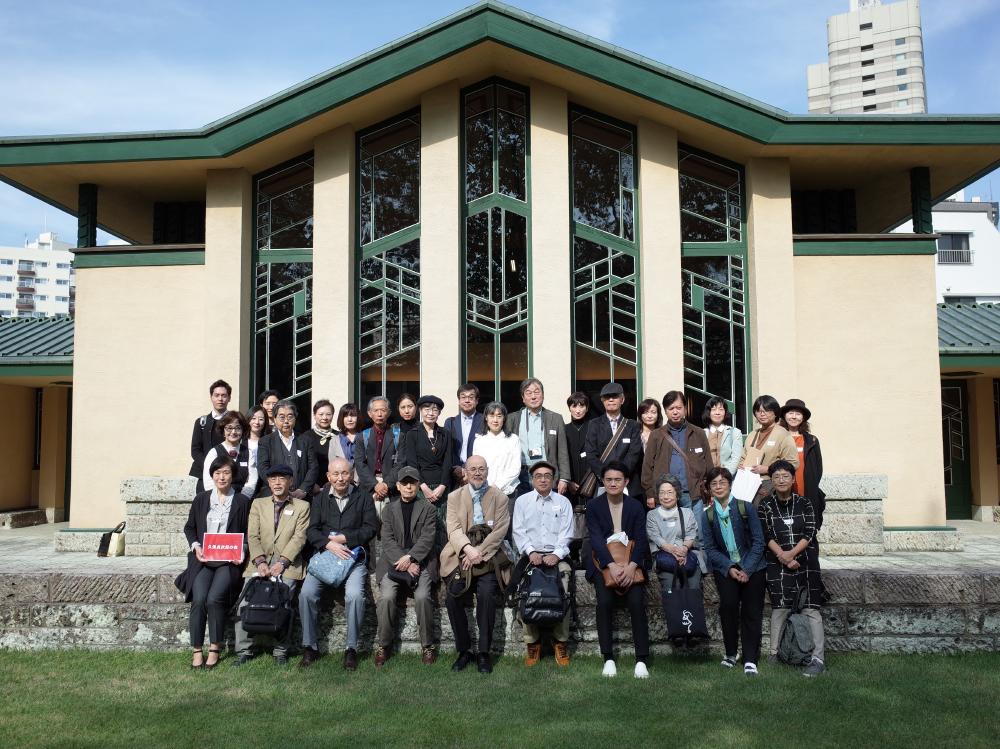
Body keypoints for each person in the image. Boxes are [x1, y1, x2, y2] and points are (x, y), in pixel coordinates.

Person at [299, 457, 379, 670]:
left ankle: (351, 649)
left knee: (354, 596)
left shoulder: (364, 498)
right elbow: (312, 530)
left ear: (351, 475)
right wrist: (328, 544)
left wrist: (344, 539)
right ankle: (310, 647)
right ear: (328, 477)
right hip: (325, 558)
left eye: (345, 473)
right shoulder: (320, 499)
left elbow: (371, 528)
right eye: (336, 474)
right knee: (306, 594)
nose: (341, 478)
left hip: (353, 560)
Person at [232, 464, 310, 666]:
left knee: (284, 601)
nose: (277, 483)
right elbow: (253, 535)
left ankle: (280, 650)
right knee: (245, 601)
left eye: (282, 478)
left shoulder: (302, 507)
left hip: (288, 564)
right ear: (268, 482)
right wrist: (260, 561)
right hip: (259, 563)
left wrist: (282, 562)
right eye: (273, 479)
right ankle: (243, 650)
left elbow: (299, 538)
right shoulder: (258, 504)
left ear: (290, 481)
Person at [441, 454, 511, 674]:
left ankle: (483, 652)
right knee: (452, 597)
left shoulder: (500, 497)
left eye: (481, 469)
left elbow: (499, 531)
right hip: (461, 555)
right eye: (473, 469)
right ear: (465, 472)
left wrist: (479, 552)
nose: (477, 473)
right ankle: (464, 651)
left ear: (487, 471)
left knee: (487, 594)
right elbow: (453, 529)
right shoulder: (454, 497)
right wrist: (468, 549)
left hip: (488, 558)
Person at [180, 455, 251, 669]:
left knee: (214, 599)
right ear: (212, 475)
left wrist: (242, 551)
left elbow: (248, 533)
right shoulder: (201, 499)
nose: (222, 477)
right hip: (204, 560)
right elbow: (190, 527)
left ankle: (214, 648)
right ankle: (196, 650)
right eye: (218, 473)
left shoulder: (242, 501)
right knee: (199, 599)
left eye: (226, 473)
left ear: (233, 476)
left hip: (229, 562)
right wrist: (196, 546)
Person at [758, 460, 825, 676]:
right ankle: (775, 654)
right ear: (771, 480)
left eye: (785, 476)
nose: (781, 480)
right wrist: (784, 557)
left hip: (806, 562)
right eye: (776, 476)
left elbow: (809, 531)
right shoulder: (765, 505)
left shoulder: (805, 503)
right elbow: (766, 534)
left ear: (793, 479)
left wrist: (792, 554)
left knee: (811, 608)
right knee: (780, 607)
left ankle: (817, 659)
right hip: (777, 563)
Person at [585, 461, 650, 678]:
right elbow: (595, 539)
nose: (613, 483)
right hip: (603, 562)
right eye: (609, 480)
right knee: (604, 602)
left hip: (631, 562)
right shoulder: (594, 506)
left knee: (636, 603)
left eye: (617, 480)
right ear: (603, 481)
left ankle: (641, 659)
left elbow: (641, 538)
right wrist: (611, 566)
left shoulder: (635, 506)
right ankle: (608, 658)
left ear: (626, 481)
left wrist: (632, 566)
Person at [699, 466, 766, 676]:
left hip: (753, 567)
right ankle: (730, 653)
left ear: (730, 484)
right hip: (726, 568)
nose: (718, 486)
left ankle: (750, 659)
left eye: (722, 482)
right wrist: (729, 567)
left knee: (751, 611)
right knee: (728, 608)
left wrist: (746, 568)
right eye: (714, 484)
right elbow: (710, 549)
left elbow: (759, 542)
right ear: (709, 489)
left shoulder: (746, 507)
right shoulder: (708, 516)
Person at [374, 466, 439, 667]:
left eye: (412, 483)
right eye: (405, 483)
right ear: (398, 486)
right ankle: (384, 645)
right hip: (393, 562)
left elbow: (428, 539)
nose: (409, 487)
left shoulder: (429, 509)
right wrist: (403, 561)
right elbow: (387, 540)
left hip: (422, 562)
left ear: (418, 485)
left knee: (422, 597)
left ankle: (427, 646)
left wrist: (411, 558)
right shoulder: (388, 510)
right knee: (386, 597)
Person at [511, 460, 574, 667]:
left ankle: (560, 642)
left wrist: (556, 554)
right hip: (531, 556)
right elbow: (518, 531)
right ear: (532, 479)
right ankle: (532, 643)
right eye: (538, 476)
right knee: (526, 592)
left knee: (564, 587)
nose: (543, 479)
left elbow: (567, 533)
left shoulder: (563, 502)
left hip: (557, 556)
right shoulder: (522, 502)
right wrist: (531, 552)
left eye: (547, 476)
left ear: (553, 479)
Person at [641, 391, 712, 508]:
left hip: (693, 494)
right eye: (671, 408)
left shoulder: (698, 433)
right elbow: (647, 467)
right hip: (664, 495)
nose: (675, 412)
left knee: (694, 521)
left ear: (685, 408)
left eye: (679, 408)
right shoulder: (656, 435)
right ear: (665, 411)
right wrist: (650, 493)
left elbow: (709, 464)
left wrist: (710, 490)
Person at [400, 395, 453, 544]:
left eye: (435, 410)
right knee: (423, 526)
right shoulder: (412, 434)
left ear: (439, 413)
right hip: (421, 487)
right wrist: (423, 487)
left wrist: (442, 486)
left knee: (442, 526)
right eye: (427, 409)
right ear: (420, 411)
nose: (430, 413)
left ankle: (442, 557)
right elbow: (412, 463)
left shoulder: (445, 434)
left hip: (441, 487)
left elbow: (448, 461)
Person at [506, 378, 571, 496]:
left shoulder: (555, 418)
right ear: (523, 398)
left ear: (543, 395)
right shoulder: (512, 419)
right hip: (521, 475)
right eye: (528, 393)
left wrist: (564, 478)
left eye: (537, 392)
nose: (533, 396)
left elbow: (562, 450)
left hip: (547, 473)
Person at [584, 382, 643, 498]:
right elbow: (591, 454)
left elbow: (634, 454)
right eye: (607, 397)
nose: (611, 400)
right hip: (601, 482)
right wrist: (607, 477)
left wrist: (620, 476)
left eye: (615, 396)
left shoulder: (632, 425)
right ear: (602, 401)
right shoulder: (594, 424)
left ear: (622, 399)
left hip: (628, 482)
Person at [738, 395, 798, 502]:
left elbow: (793, 463)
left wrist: (767, 469)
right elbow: (743, 457)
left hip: (770, 483)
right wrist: (741, 465)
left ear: (775, 413)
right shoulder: (752, 434)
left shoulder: (783, 434)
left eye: (767, 410)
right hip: (748, 484)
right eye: (758, 411)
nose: (762, 414)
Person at [646, 474, 701, 592]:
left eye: (670, 492)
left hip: (687, 555)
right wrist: (674, 551)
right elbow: (655, 537)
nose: (666, 496)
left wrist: (684, 549)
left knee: (694, 586)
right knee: (671, 586)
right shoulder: (652, 515)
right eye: (662, 493)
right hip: (665, 557)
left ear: (677, 494)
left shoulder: (687, 512)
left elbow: (691, 534)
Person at [255, 400, 317, 500]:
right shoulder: (266, 441)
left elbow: (313, 467)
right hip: (273, 495)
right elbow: (263, 468)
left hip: (301, 497)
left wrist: (303, 489)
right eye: (282, 417)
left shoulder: (305, 441)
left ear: (295, 418)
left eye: (290, 417)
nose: (286, 421)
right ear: (275, 419)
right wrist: (278, 487)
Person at [779, 398, 826, 532]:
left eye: (798, 413)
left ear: (803, 417)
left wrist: (812, 485)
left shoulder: (812, 440)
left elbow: (818, 468)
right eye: (790, 413)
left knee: (806, 526)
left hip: (806, 490)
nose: (794, 417)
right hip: (783, 489)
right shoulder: (779, 438)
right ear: (784, 416)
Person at [470, 401, 522, 518]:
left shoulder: (513, 439)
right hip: (484, 492)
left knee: (506, 526)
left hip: (508, 492)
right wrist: (487, 487)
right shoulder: (479, 440)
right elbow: (476, 467)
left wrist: (497, 486)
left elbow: (515, 468)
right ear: (486, 418)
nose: (495, 420)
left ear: (504, 418)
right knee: (486, 525)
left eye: (499, 416)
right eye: (492, 415)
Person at [355, 396, 402, 518]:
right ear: (369, 413)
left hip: (391, 488)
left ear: (389, 413)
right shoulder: (362, 437)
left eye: (383, 410)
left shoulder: (399, 436)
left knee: (391, 523)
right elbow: (360, 464)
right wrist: (375, 485)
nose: (379, 414)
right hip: (369, 487)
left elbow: (400, 463)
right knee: (369, 522)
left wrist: (386, 484)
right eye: (376, 410)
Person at [202, 411, 257, 499]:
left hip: (242, 499)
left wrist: (242, 498)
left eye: (238, 428)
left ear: (243, 430)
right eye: (229, 428)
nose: (233, 432)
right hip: (218, 499)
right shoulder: (214, 452)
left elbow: (252, 480)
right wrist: (218, 498)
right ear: (223, 430)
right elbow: (208, 480)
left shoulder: (248, 453)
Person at [188, 379, 231, 492]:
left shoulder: (236, 421)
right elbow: (195, 450)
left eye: (224, 395)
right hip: (205, 475)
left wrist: (225, 468)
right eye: (217, 395)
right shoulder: (201, 422)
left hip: (229, 476)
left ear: (229, 398)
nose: (220, 399)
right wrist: (210, 467)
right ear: (211, 397)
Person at [444, 383, 484, 488]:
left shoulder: (484, 421)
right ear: (459, 401)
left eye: (471, 397)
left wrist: (469, 470)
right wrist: (455, 468)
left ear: (477, 401)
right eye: (463, 397)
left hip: (477, 474)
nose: (467, 400)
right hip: (455, 474)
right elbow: (447, 450)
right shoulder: (450, 422)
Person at [300, 399, 336, 497]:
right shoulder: (305, 437)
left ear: (333, 415)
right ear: (314, 415)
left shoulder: (338, 436)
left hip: (335, 485)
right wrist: (311, 484)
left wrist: (332, 482)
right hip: (311, 489)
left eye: (328, 414)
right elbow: (302, 464)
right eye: (321, 414)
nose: (325, 417)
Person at [564, 391, 592, 504]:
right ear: (569, 408)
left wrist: (589, 481)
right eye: (574, 406)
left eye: (581, 406)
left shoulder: (593, 428)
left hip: (590, 481)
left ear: (587, 408)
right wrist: (568, 481)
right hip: (570, 480)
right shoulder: (564, 429)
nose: (578, 410)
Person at [702, 396, 743, 475]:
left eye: (721, 409)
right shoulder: (702, 433)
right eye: (713, 409)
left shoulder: (735, 433)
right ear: (708, 412)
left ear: (725, 412)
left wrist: (725, 477)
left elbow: (736, 459)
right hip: (707, 477)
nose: (717, 412)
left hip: (728, 477)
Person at [328, 402, 361, 484]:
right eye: (346, 416)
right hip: (342, 484)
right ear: (341, 418)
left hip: (363, 485)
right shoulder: (334, 441)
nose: (349, 419)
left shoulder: (366, 437)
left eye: (353, 416)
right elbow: (332, 467)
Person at [246, 405, 269, 497]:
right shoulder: (240, 441)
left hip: (264, 485)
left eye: (261, 419)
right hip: (245, 484)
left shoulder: (269, 441)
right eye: (253, 418)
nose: (257, 422)